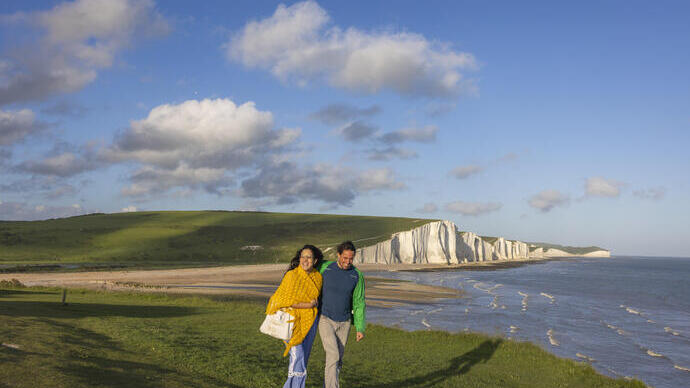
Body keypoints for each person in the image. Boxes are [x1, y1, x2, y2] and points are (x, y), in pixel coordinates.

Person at [265, 245, 323, 388]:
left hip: (310, 322)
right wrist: (308, 305)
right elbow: (282, 300)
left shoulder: (318, 277)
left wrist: (311, 306)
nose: (305, 260)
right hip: (291, 322)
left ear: (315, 261)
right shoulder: (291, 275)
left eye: (309, 257)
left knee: (300, 359)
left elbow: (314, 299)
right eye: (303, 256)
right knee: (298, 357)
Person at [317, 241, 366, 388]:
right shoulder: (325, 267)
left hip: (344, 322)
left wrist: (360, 327)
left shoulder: (357, 275)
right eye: (345, 258)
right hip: (325, 318)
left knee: (337, 360)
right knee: (333, 355)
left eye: (351, 258)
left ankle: (329, 383)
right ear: (338, 255)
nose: (347, 262)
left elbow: (359, 302)